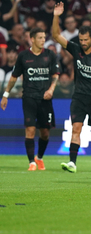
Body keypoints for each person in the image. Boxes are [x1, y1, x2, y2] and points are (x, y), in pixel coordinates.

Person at [51, 2, 91, 173]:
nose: (83, 43)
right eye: (81, 40)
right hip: (79, 97)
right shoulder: (75, 49)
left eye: (86, 40)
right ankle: (72, 163)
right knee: (76, 128)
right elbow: (56, 35)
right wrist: (56, 15)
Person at [1, 27, 59, 170]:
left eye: (44, 37)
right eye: (40, 38)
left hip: (45, 99)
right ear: (32, 39)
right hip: (29, 98)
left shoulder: (50, 55)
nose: (43, 40)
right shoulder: (23, 56)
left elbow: (55, 75)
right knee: (30, 130)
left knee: (45, 133)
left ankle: (39, 158)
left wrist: (51, 89)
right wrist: (5, 95)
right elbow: (14, 77)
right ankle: (31, 162)